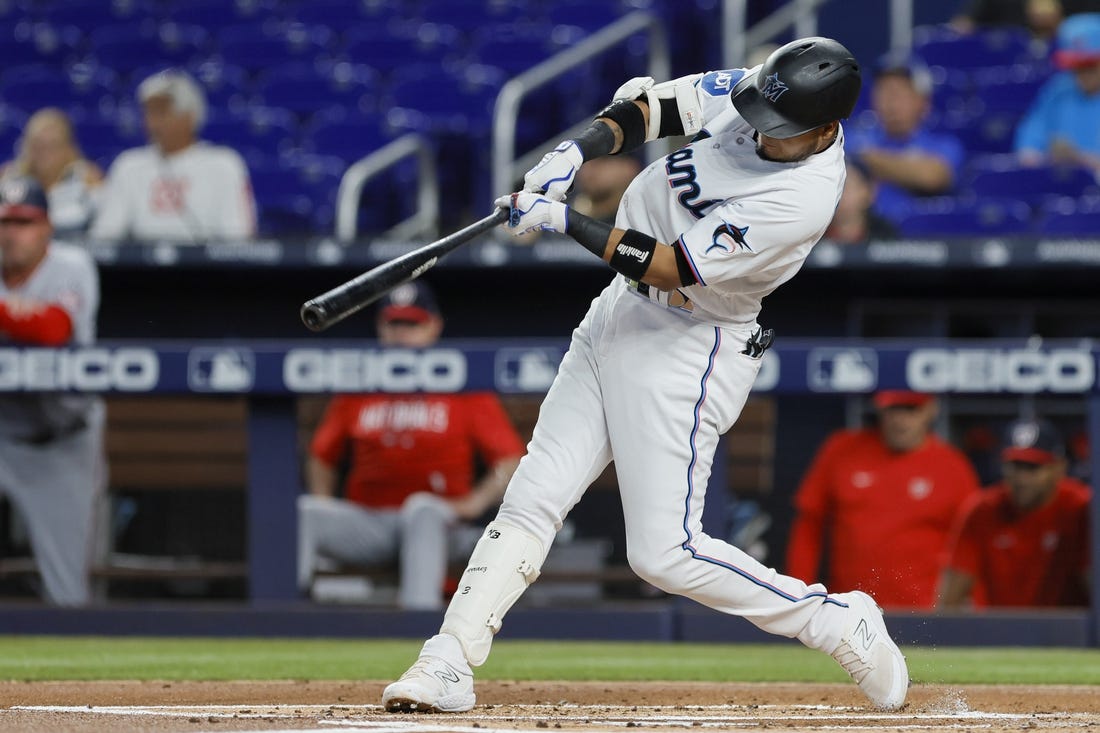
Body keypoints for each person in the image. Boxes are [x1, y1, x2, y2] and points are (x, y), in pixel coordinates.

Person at [383, 37, 910, 714]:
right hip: (619, 315)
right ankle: (448, 658)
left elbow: (668, 265)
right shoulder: (763, 91)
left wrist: (562, 218)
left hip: (689, 343)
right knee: (533, 495)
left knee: (664, 553)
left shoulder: (802, 196)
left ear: (825, 129)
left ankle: (835, 620)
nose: (757, 129)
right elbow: (653, 108)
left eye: (778, 130)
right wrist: (576, 150)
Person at [297, 281, 525, 610]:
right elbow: (322, 456)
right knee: (305, 513)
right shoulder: (360, 383)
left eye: (412, 325)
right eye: (395, 324)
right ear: (381, 328)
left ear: (434, 327)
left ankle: (418, 628)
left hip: (443, 523)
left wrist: (473, 504)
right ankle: (285, 628)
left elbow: (510, 460)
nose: (402, 335)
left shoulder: (462, 382)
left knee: (421, 510)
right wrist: (324, 500)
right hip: (372, 524)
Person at [0, 176, 104, 606]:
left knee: (67, 596)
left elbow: (51, 329)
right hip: (3, 434)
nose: (10, 233)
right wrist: (12, 312)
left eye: (23, 222)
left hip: (61, 443)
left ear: (46, 228)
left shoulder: (72, 265)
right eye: (4, 222)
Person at [786, 391, 982, 610]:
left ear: (931, 410)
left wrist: (971, 612)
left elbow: (973, 547)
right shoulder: (842, 450)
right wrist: (800, 596)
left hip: (923, 614)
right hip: (849, 611)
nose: (900, 419)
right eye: (893, 409)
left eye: (911, 410)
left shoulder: (953, 467)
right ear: (879, 409)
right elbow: (808, 525)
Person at [938, 417, 1091, 608]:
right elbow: (947, 602)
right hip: (999, 632)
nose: (1022, 478)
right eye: (1015, 466)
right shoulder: (983, 509)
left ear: (1059, 468)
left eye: (1033, 468)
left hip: (1065, 633)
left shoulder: (1080, 508)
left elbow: (1093, 584)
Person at [90, 69, 256, 244]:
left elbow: (238, 237)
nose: (151, 123)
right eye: (148, 113)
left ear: (190, 117)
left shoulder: (224, 165)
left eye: (161, 113)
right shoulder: (128, 165)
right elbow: (105, 235)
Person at [844, 52, 966, 225]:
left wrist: (866, 159)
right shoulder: (856, 134)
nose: (891, 102)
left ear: (923, 101)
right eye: (883, 92)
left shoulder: (944, 144)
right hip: (866, 240)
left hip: (923, 238)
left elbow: (932, 177)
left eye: (899, 92)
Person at [1014, 13, 1100, 173]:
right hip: (1057, 188)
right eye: (1076, 67)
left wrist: (1082, 161)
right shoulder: (1059, 89)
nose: (1082, 75)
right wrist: (1039, 158)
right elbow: (1030, 138)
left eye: (1090, 66)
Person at [0, 108, 103, 237]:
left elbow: (104, 227)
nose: (44, 153)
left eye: (53, 145)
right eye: (37, 145)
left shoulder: (86, 179)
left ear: (68, 149)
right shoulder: (9, 179)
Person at [823, 157, 899, 244]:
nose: (837, 194)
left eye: (845, 186)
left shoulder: (885, 235)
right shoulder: (811, 232)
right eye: (831, 186)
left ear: (868, 192)